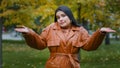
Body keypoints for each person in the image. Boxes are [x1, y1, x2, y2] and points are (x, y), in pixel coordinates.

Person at [15, 5, 116, 68]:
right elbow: (40, 44)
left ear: (70, 17)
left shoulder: (79, 30)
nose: (60, 19)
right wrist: (29, 34)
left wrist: (100, 33)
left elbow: (89, 46)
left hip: (73, 65)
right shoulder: (51, 28)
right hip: (53, 66)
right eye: (58, 17)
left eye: (63, 16)